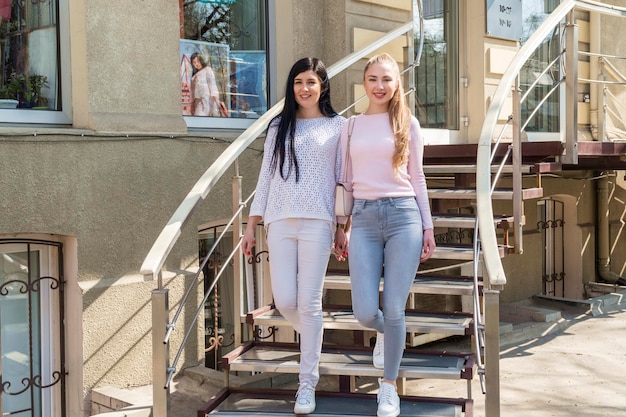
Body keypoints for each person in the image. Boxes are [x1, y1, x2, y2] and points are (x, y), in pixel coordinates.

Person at [241, 57, 347, 415]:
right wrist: (251, 225)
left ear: (322, 87)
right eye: (299, 81)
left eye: (312, 82)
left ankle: (307, 384)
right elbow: (265, 178)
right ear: (292, 86)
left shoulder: (339, 127)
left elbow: (342, 179)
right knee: (285, 301)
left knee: (310, 303)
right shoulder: (278, 126)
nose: (305, 88)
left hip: (318, 220)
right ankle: (315, 344)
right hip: (279, 220)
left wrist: (342, 226)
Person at [336, 53, 436, 417]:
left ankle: (388, 386)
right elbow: (345, 181)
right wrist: (341, 226)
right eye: (374, 79)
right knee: (366, 311)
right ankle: (386, 333)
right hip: (362, 218)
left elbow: (418, 178)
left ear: (397, 84)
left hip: (403, 217)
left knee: (394, 306)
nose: (380, 86)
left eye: (387, 79)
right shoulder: (350, 127)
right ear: (364, 82)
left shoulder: (408, 123)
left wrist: (428, 225)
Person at [189, 52, 228, 117]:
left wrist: (218, 102)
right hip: (197, 102)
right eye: (194, 62)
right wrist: (192, 105)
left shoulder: (207, 70)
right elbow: (192, 93)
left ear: (201, 60)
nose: (196, 64)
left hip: (207, 100)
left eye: (198, 61)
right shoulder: (193, 76)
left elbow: (212, 85)